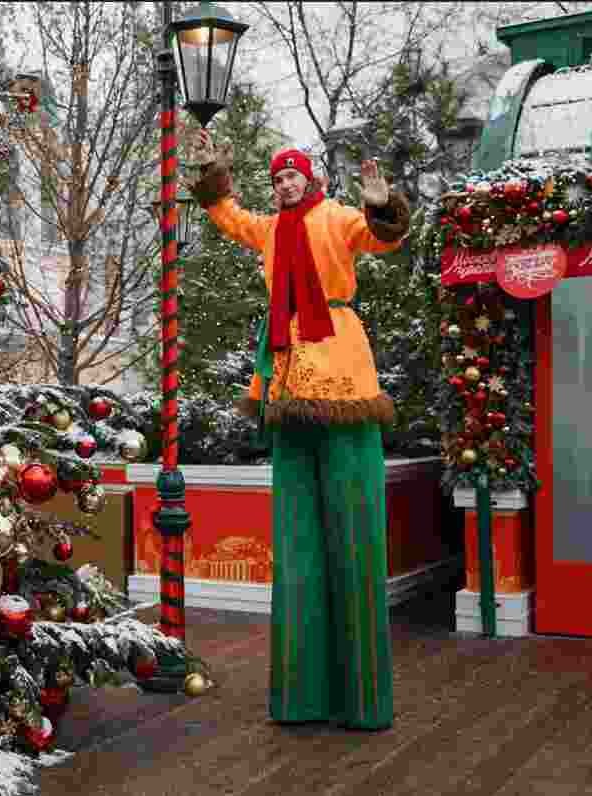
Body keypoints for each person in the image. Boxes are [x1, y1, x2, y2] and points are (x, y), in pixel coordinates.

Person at [188, 132, 411, 730]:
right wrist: (211, 169)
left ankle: (359, 697)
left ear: (310, 179)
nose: (285, 184)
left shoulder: (338, 217)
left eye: (292, 176)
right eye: (278, 178)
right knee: (298, 535)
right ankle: (303, 693)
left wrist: (380, 203)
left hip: (339, 366)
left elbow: (383, 239)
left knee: (350, 520)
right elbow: (227, 216)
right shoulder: (269, 229)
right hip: (286, 376)